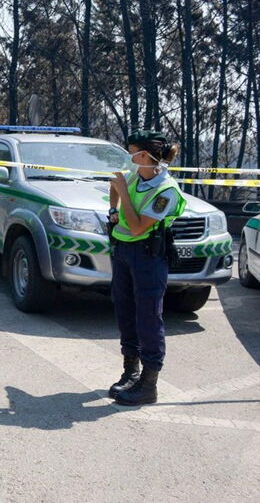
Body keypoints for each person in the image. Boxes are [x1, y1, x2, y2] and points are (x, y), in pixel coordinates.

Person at [107, 130, 185, 406]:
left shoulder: (166, 190)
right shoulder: (134, 177)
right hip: (123, 251)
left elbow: (139, 226)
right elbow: (114, 187)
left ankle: (149, 384)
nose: (129, 157)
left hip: (148, 255)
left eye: (132, 152)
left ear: (145, 155)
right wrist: (113, 209)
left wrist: (123, 194)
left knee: (148, 316)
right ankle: (131, 372)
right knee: (125, 310)